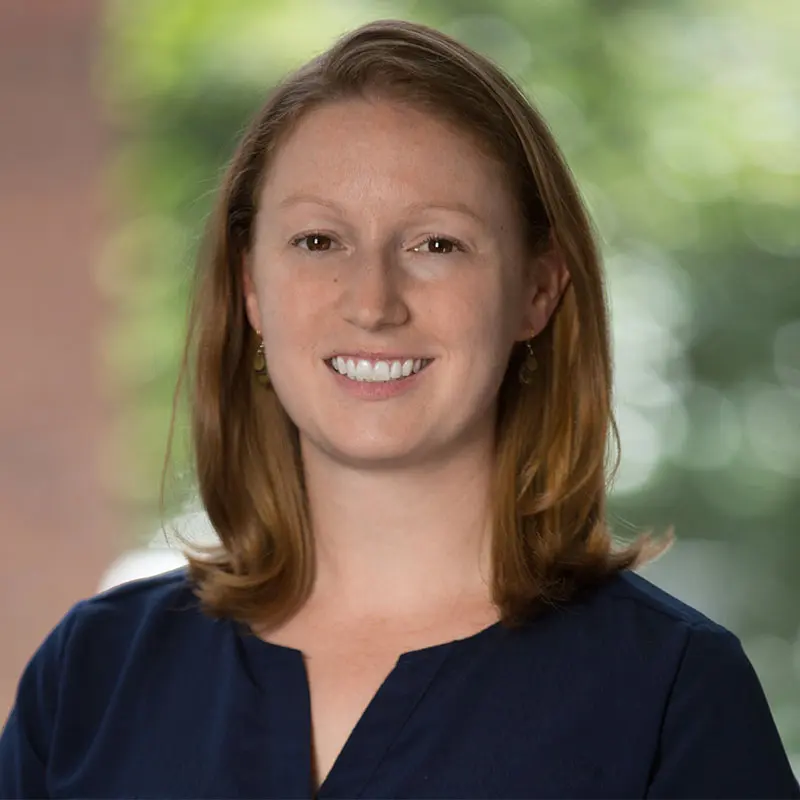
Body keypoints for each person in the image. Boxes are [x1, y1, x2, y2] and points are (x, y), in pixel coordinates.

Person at [1, 18, 797, 800]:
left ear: (537, 290)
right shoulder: (95, 674)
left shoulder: (670, 694)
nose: (373, 302)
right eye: (318, 241)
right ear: (250, 287)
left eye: (436, 244)